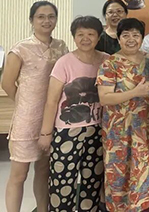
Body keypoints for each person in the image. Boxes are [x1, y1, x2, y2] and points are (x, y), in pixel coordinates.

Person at [2, 1, 68, 212]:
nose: (46, 21)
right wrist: (25, 104)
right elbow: (7, 83)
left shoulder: (61, 47)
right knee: (19, 174)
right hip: (26, 120)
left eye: (51, 16)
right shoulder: (20, 49)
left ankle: (42, 209)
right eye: (41, 16)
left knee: (43, 171)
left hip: (52, 118)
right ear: (32, 20)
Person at [38, 16, 108, 211]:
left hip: (97, 131)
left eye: (91, 34)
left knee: (92, 181)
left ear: (98, 36)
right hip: (66, 132)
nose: (85, 38)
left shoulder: (107, 60)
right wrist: (46, 133)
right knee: (62, 181)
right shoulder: (64, 63)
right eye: (80, 34)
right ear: (74, 37)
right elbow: (51, 101)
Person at [97, 18, 149, 212]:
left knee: (141, 170)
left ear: (142, 38)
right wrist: (135, 92)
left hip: (143, 128)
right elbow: (104, 98)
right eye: (126, 35)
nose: (131, 39)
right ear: (119, 38)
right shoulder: (110, 63)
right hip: (117, 130)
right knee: (118, 171)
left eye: (136, 35)